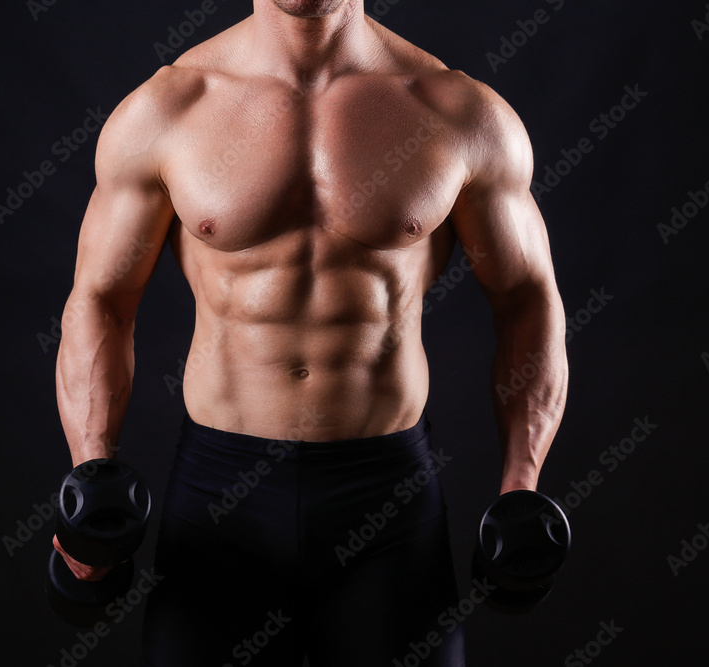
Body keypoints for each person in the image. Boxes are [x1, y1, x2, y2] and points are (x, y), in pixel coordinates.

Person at [52, 1, 567, 664]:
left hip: (386, 502)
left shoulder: (457, 112)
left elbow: (527, 298)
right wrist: (91, 473)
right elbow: (102, 298)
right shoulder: (169, 108)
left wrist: (521, 482)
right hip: (220, 501)